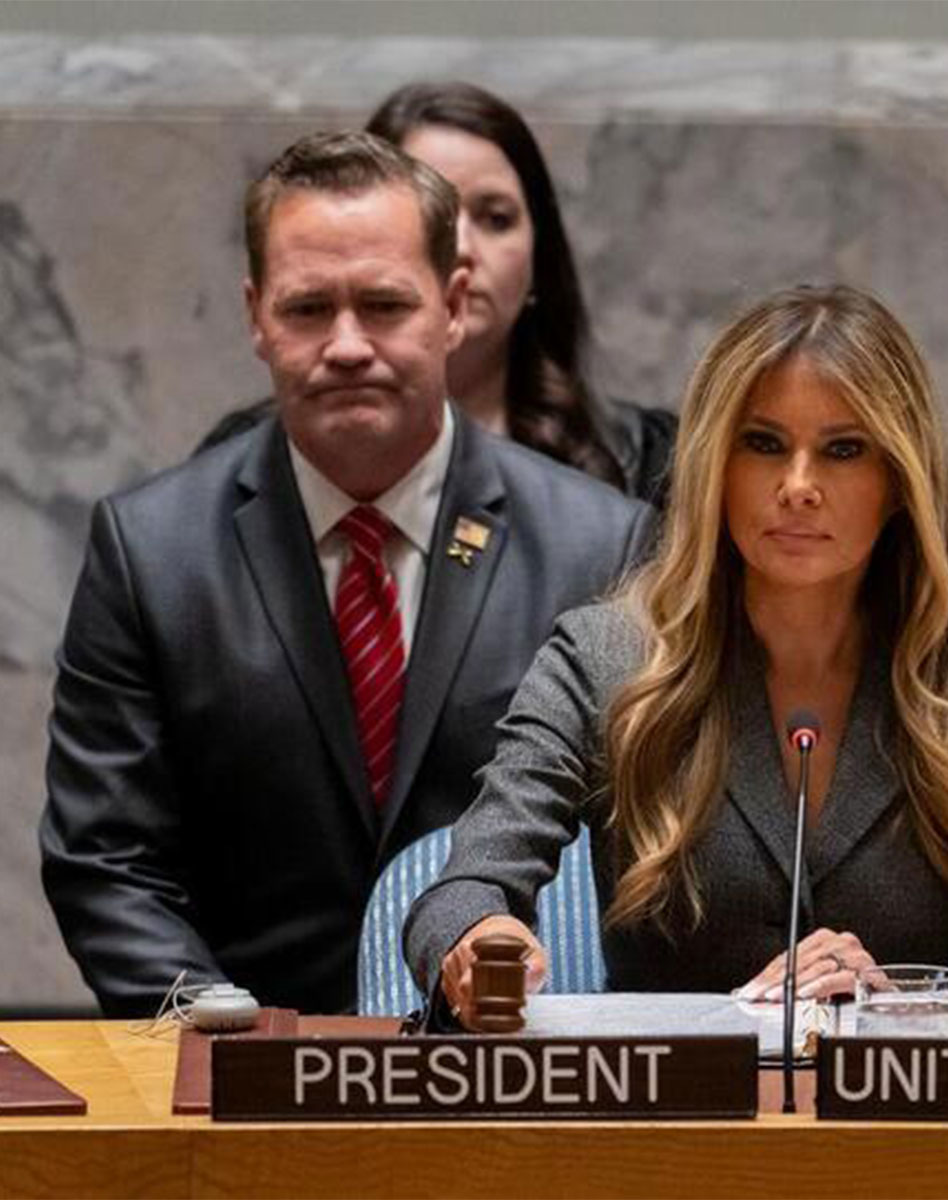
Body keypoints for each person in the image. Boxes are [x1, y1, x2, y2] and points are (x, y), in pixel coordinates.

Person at [40, 131, 656, 1017]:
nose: (347, 344)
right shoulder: (151, 550)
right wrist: (226, 1031)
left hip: (510, 1085)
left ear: (451, 304)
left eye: (382, 304)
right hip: (239, 1088)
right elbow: (107, 861)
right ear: (255, 314)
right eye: (306, 309)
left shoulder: (599, 546)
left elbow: (642, 859)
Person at [405, 285, 948, 1026]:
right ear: (715, 468)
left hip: (896, 1130)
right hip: (669, 1122)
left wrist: (889, 1017)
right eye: (762, 444)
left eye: (843, 451)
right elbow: (462, 891)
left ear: (897, 482)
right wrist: (479, 940)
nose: (797, 487)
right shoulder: (604, 661)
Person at [201, 81, 677, 507]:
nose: (464, 247)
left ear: (538, 255)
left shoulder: (643, 461)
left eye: (495, 218)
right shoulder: (239, 465)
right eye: (438, 217)